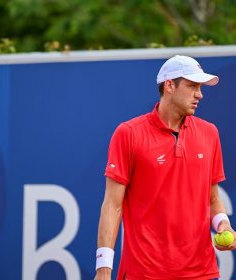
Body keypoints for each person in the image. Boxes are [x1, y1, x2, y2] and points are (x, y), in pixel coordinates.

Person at [95, 55, 235, 280]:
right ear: (169, 85)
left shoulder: (210, 134)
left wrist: (223, 224)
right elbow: (113, 206)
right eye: (192, 86)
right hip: (144, 273)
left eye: (199, 87)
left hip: (202, 273)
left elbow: (212, 200)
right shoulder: (128, 133)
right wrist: (103, 267)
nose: (199, 94)